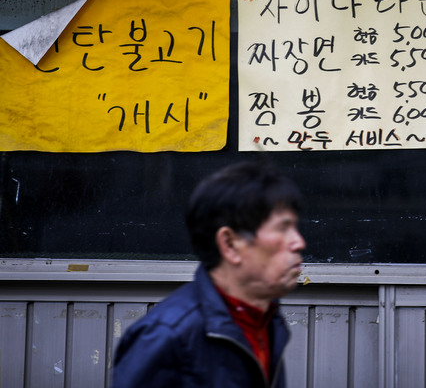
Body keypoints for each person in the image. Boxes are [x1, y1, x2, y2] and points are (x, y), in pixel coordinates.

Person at [113, 161, 306, 388]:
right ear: (230, 244)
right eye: (282, 229)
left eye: (295, 228)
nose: (298, 242)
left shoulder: (264, 317)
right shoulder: (167, 335)